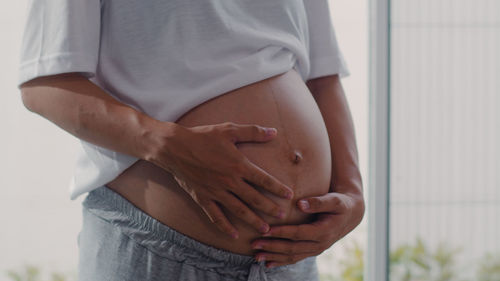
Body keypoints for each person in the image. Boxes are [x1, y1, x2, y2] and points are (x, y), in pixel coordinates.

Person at [17, 0, 365, 280]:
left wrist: (352, 191)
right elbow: (45, 86)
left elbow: (323, 78)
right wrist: (169, 145)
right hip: (159, 251)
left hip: (289, 260)